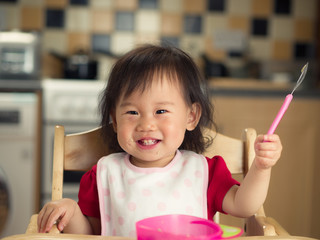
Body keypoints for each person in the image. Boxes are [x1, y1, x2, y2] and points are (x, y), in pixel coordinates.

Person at [38, 44, 282, 237]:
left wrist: (261, 168)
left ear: (191, 116)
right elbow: (90, 234)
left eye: (161, 111)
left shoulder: (204, 172)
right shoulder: (103, 175)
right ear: (114, 119)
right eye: (132, 112)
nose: (146, 125)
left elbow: (244, 206)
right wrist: (69, 211)